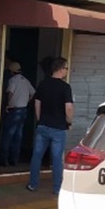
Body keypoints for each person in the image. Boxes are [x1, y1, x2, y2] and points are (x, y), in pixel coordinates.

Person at [27, 57, 73, 195]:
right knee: (57, 159)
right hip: (58, 128)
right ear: (61, 69)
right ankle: (57, 188)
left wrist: (40, 119)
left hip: (43, 125)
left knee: (37, 156)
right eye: (66, 68)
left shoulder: (43, 84)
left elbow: (37, 103)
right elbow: (68, 108)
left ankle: (33, 184)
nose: (67, 71)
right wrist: (69, 122)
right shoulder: (65, 87)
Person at [0, 61, 35, 166]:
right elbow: (33, 93)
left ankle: (4, 159)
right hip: (23, 110)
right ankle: (14, 159)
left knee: (8, 135)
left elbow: (10, 93)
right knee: (18, 135)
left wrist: (8, 104)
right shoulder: (26, 81)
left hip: (13, 110)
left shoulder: (13, 80)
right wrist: (26, 101)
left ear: (11, 71)